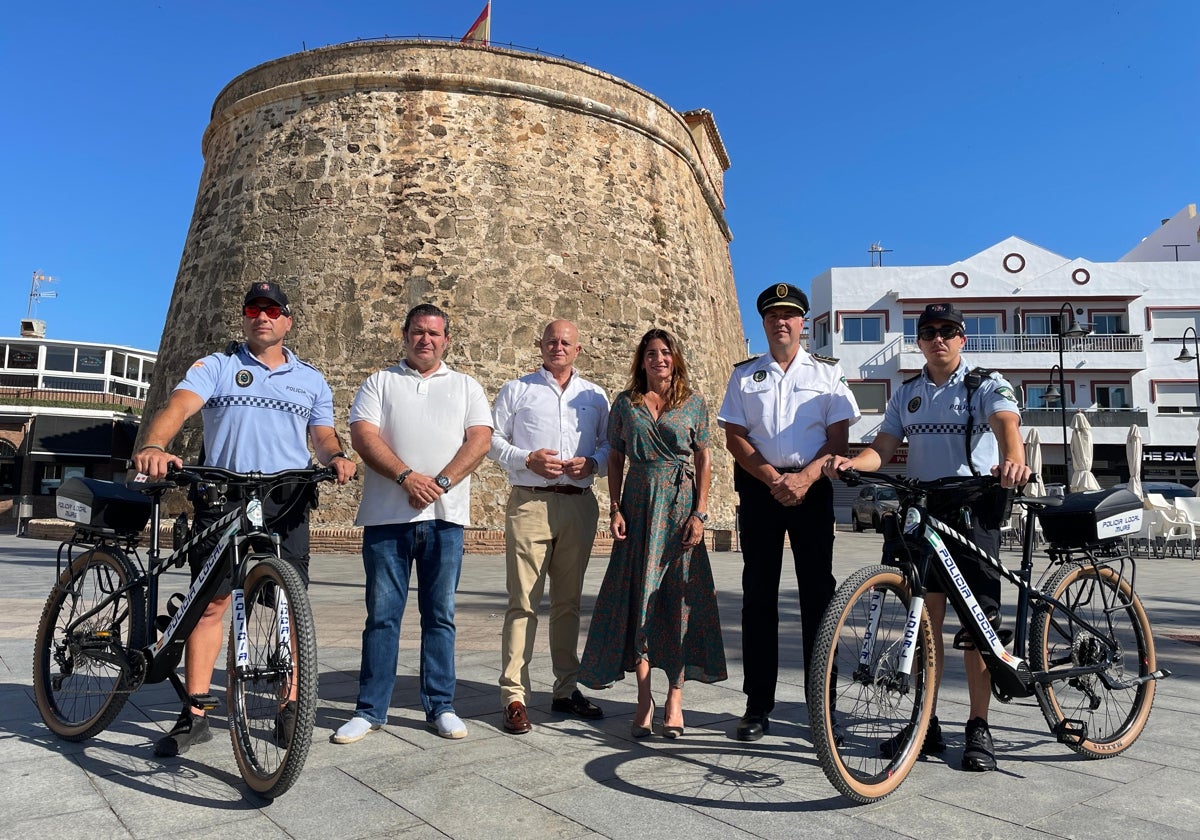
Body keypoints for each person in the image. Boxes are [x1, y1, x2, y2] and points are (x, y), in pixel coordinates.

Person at [132, 280, 357, 757]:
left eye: (273, 310)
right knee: (211, 603)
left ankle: (289, 706)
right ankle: (195, 712)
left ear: (288, 320)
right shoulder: (217, 366)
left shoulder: (311, 380)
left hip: (286, 497)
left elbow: (321, 434)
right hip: (225, 494)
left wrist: (336, 456)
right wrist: (153, 445)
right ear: (244, 317)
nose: (263, 317)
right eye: (254, 308)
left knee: (289, 608)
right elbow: (180, 407)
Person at [823, 301, 1031, 772]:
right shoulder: (907, 392)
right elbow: (884, 448)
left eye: (948, 331)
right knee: (924, 626)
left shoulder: (984, 384)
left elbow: (1007, 427)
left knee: (980, 628)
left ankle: (979, 726)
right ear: (918, 341)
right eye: (929, 331)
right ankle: (926, 721)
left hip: (971, 510)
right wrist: (856, 464)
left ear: (962, 338)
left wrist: (1013, 459)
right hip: (922, 511)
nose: (939, 338)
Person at [332, 303, 492, 744]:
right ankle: (370, 710)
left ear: (447, 340)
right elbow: (364, 436)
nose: (426, 339)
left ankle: (440, 705)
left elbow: (480, 440)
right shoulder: (380, 383)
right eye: (418, 331)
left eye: (435, 333)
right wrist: (406, 476)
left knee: (439, 615)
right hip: (388, 520)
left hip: (445, 520)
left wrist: (439, 482)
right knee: (382, 616)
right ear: (405, 336)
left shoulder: (465, 387)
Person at [717, 283, 860, 742]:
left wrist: (802, 479)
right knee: (758, 597)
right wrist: (772, 479)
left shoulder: (827, 374)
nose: (782, 321)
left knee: (818, 598)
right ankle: (758, 704)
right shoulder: (744, 376)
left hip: (812, 488)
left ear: (803, 322)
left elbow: (839, 441)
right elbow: (734, 437)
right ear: (763, 323)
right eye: (774, 315)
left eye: (791, 315)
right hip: (762, 489)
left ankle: (823, 705)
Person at [579, 328, 726, 739]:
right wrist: (614, 507)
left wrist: (700, 513)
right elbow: (614, 457)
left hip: (679, 511)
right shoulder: (624, 404)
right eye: (650, 354)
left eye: (664, 353)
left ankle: (675, 698)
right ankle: (644, 697)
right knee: (639, 600)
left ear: (674, 358)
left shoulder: (693, 403)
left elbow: (703, 459)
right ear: (641, 360)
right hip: (639, 507)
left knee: (678, 600)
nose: (658, 359)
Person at [489, 320, 611, 734]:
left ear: (579, 349)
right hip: (530, 503)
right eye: (551, 341)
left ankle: (565, 688)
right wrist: (526, 459)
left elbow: (610, 443)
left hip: (578, 505)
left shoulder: (595, 395)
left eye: (566, 342)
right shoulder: (517, 389)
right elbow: (491, 441)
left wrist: (593, 462)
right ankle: (514, 695)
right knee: (522, 601)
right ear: (540, 346)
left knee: (568, 603)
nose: (558, 347)